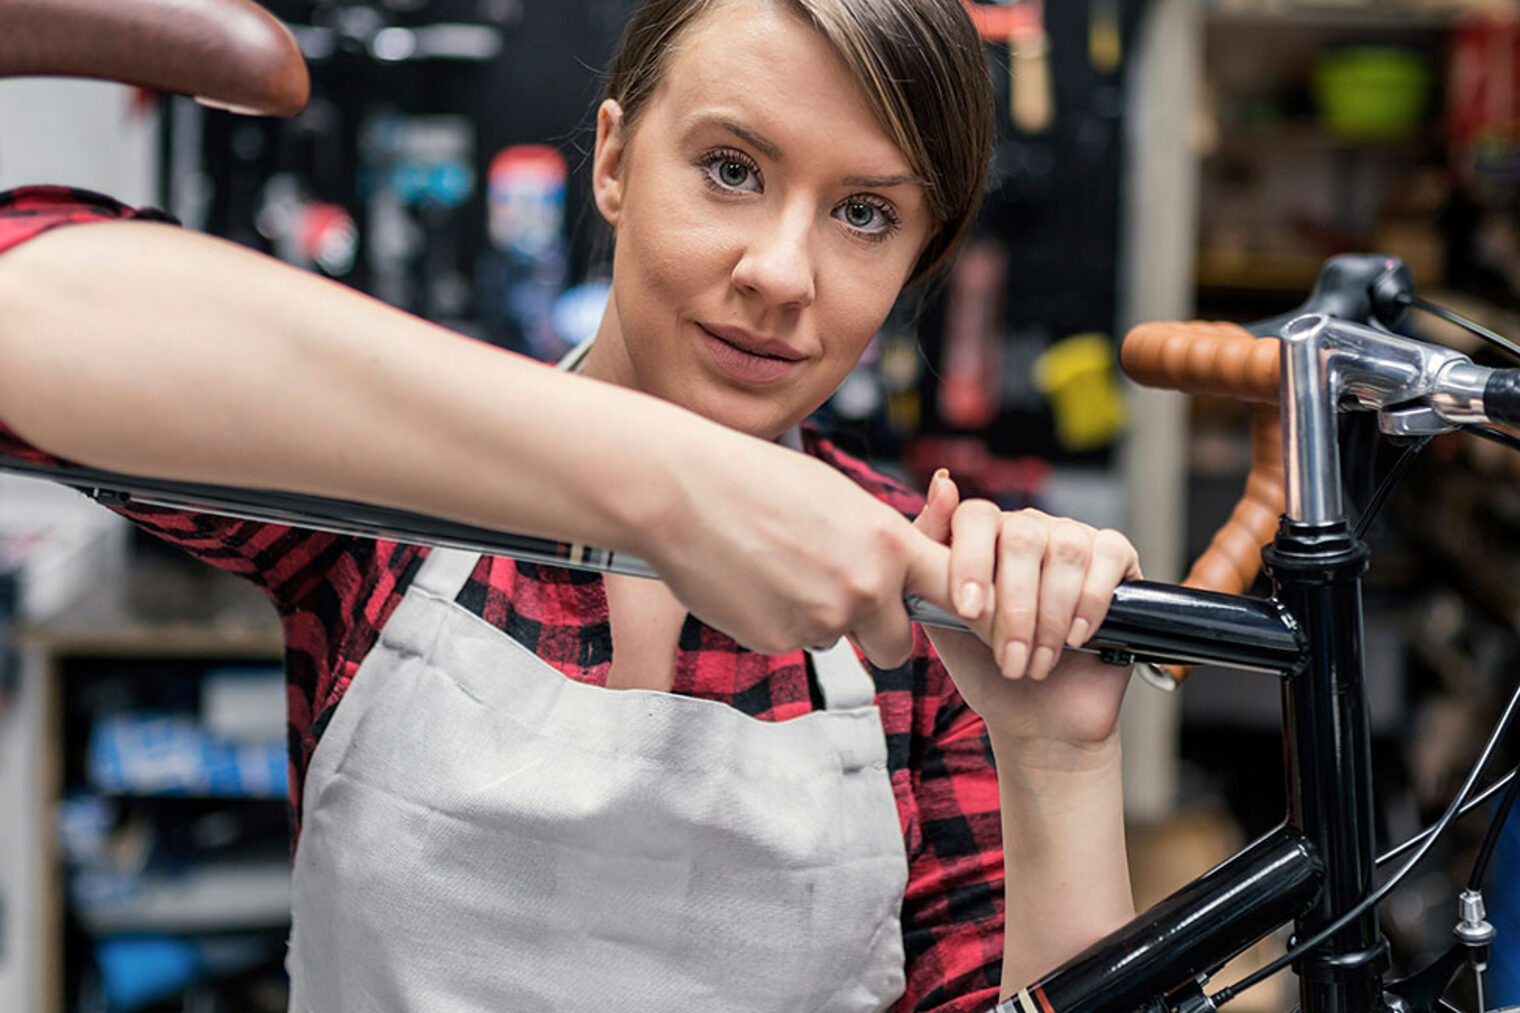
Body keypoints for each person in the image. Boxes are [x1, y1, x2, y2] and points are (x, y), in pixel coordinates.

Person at [0, 0, 1142, 1009]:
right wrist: (659, 480)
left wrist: (1058, 764)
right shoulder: (407, 477)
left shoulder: (915, 600)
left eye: (862, 215)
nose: (781, 274)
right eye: (731, 168)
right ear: (611, 161)